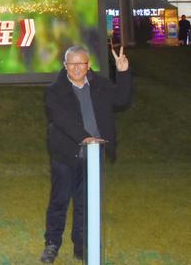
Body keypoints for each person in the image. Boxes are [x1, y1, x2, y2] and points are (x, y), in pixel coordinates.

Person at [40, 45, 131, 263]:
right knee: (59, 201)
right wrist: (85, 137)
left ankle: (81, 246)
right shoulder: (54, 91)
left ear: (88, 65)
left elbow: (122, 100)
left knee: (86, 203)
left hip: (93, 155)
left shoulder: (101, 86)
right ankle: (52, 244)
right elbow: (61, 119)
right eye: (72, 63)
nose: (77, 67)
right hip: (66, 155)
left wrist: (123, 73)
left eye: (81, 63)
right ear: (65, 65)